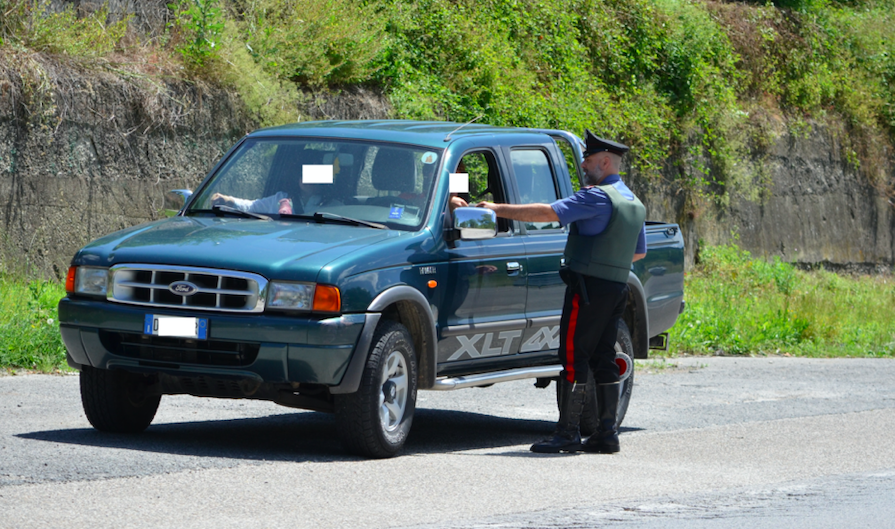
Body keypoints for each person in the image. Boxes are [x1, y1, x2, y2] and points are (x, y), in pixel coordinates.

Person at [477, 130, 646, 454]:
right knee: (604, 357)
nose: (583, 165)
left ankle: (567, 433)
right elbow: (637, 253)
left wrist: (496, 209)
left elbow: (548, 213)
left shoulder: (596, 196)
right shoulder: (633, 202)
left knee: (573, 355)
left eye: (589, 159)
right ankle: (607, 434)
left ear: (606, 161)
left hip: (589, 288)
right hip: (616, 287)